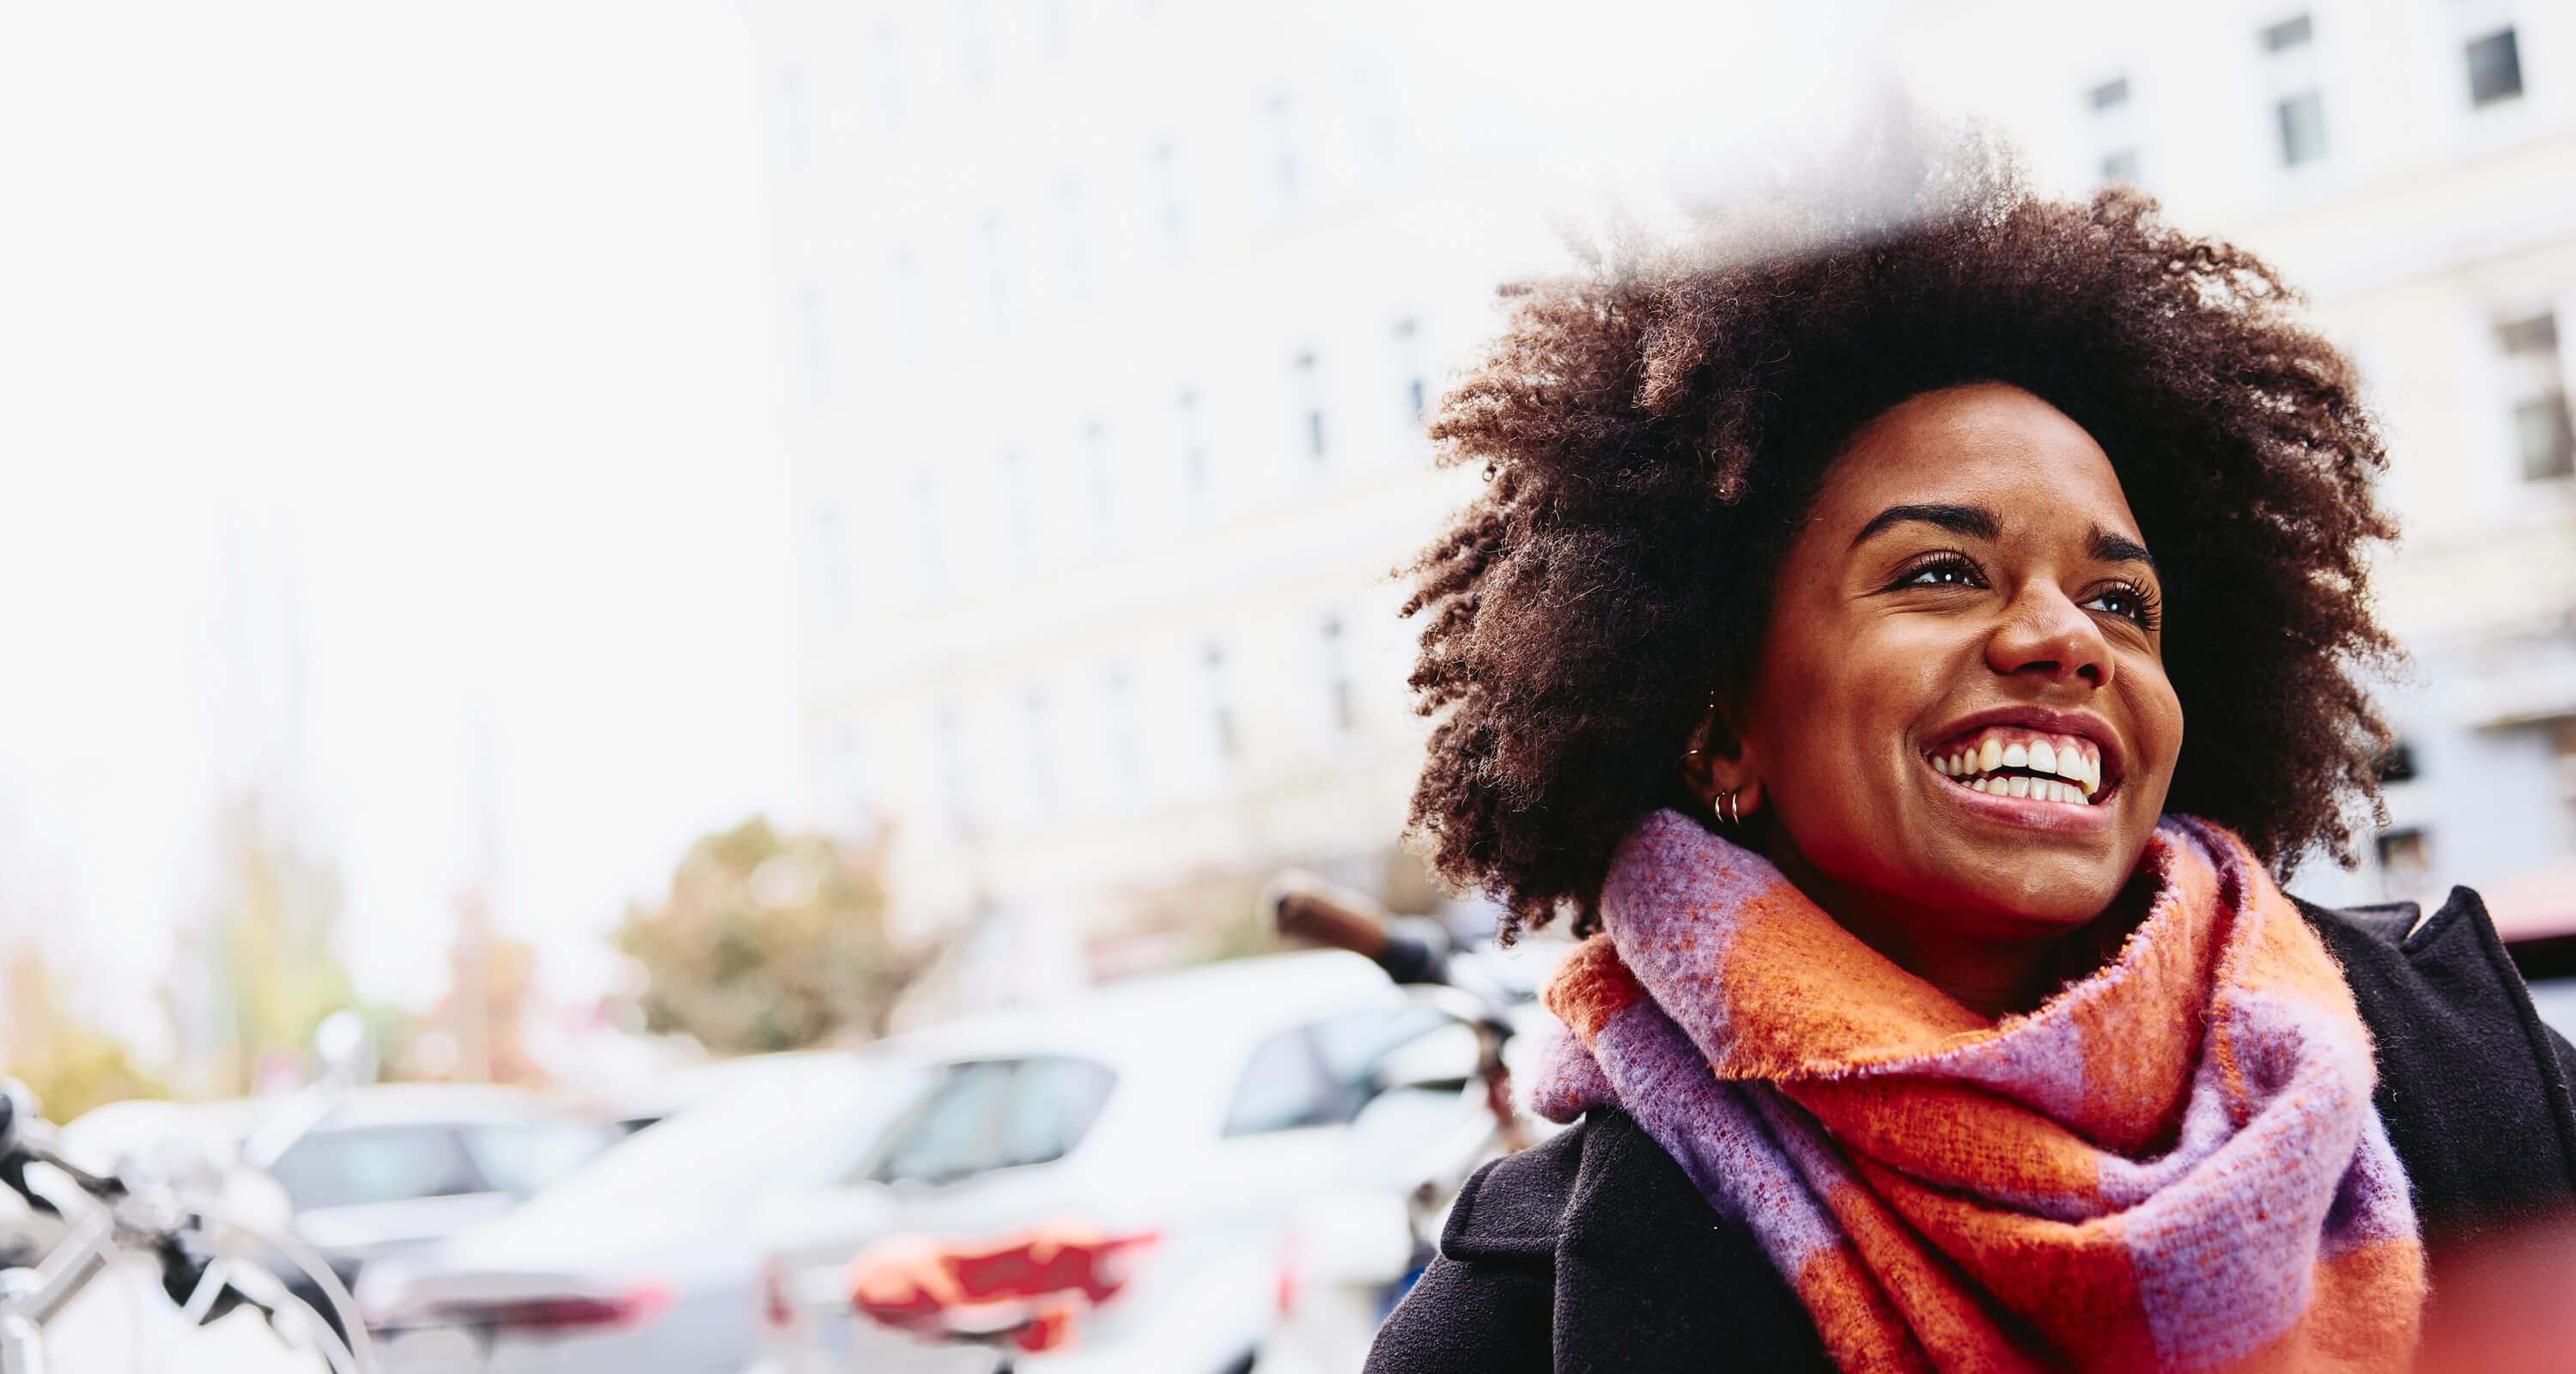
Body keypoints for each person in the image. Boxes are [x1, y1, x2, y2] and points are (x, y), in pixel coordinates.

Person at [1363, 142, 2576, 1372]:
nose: (2064, 638)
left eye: (2122, 600)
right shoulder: (1518, 1328)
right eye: (1940, 573)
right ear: (1717, 722)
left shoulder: (2467, 1063)